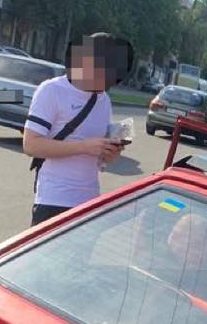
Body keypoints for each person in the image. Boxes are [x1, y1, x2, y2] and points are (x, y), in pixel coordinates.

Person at [22, 31, 134, 225]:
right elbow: (31, 145)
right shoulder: (51, 91)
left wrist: (109, 154)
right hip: (53, 201)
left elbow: (99, 160)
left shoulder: (103, 100)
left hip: (88, 203)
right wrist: (83, 146)